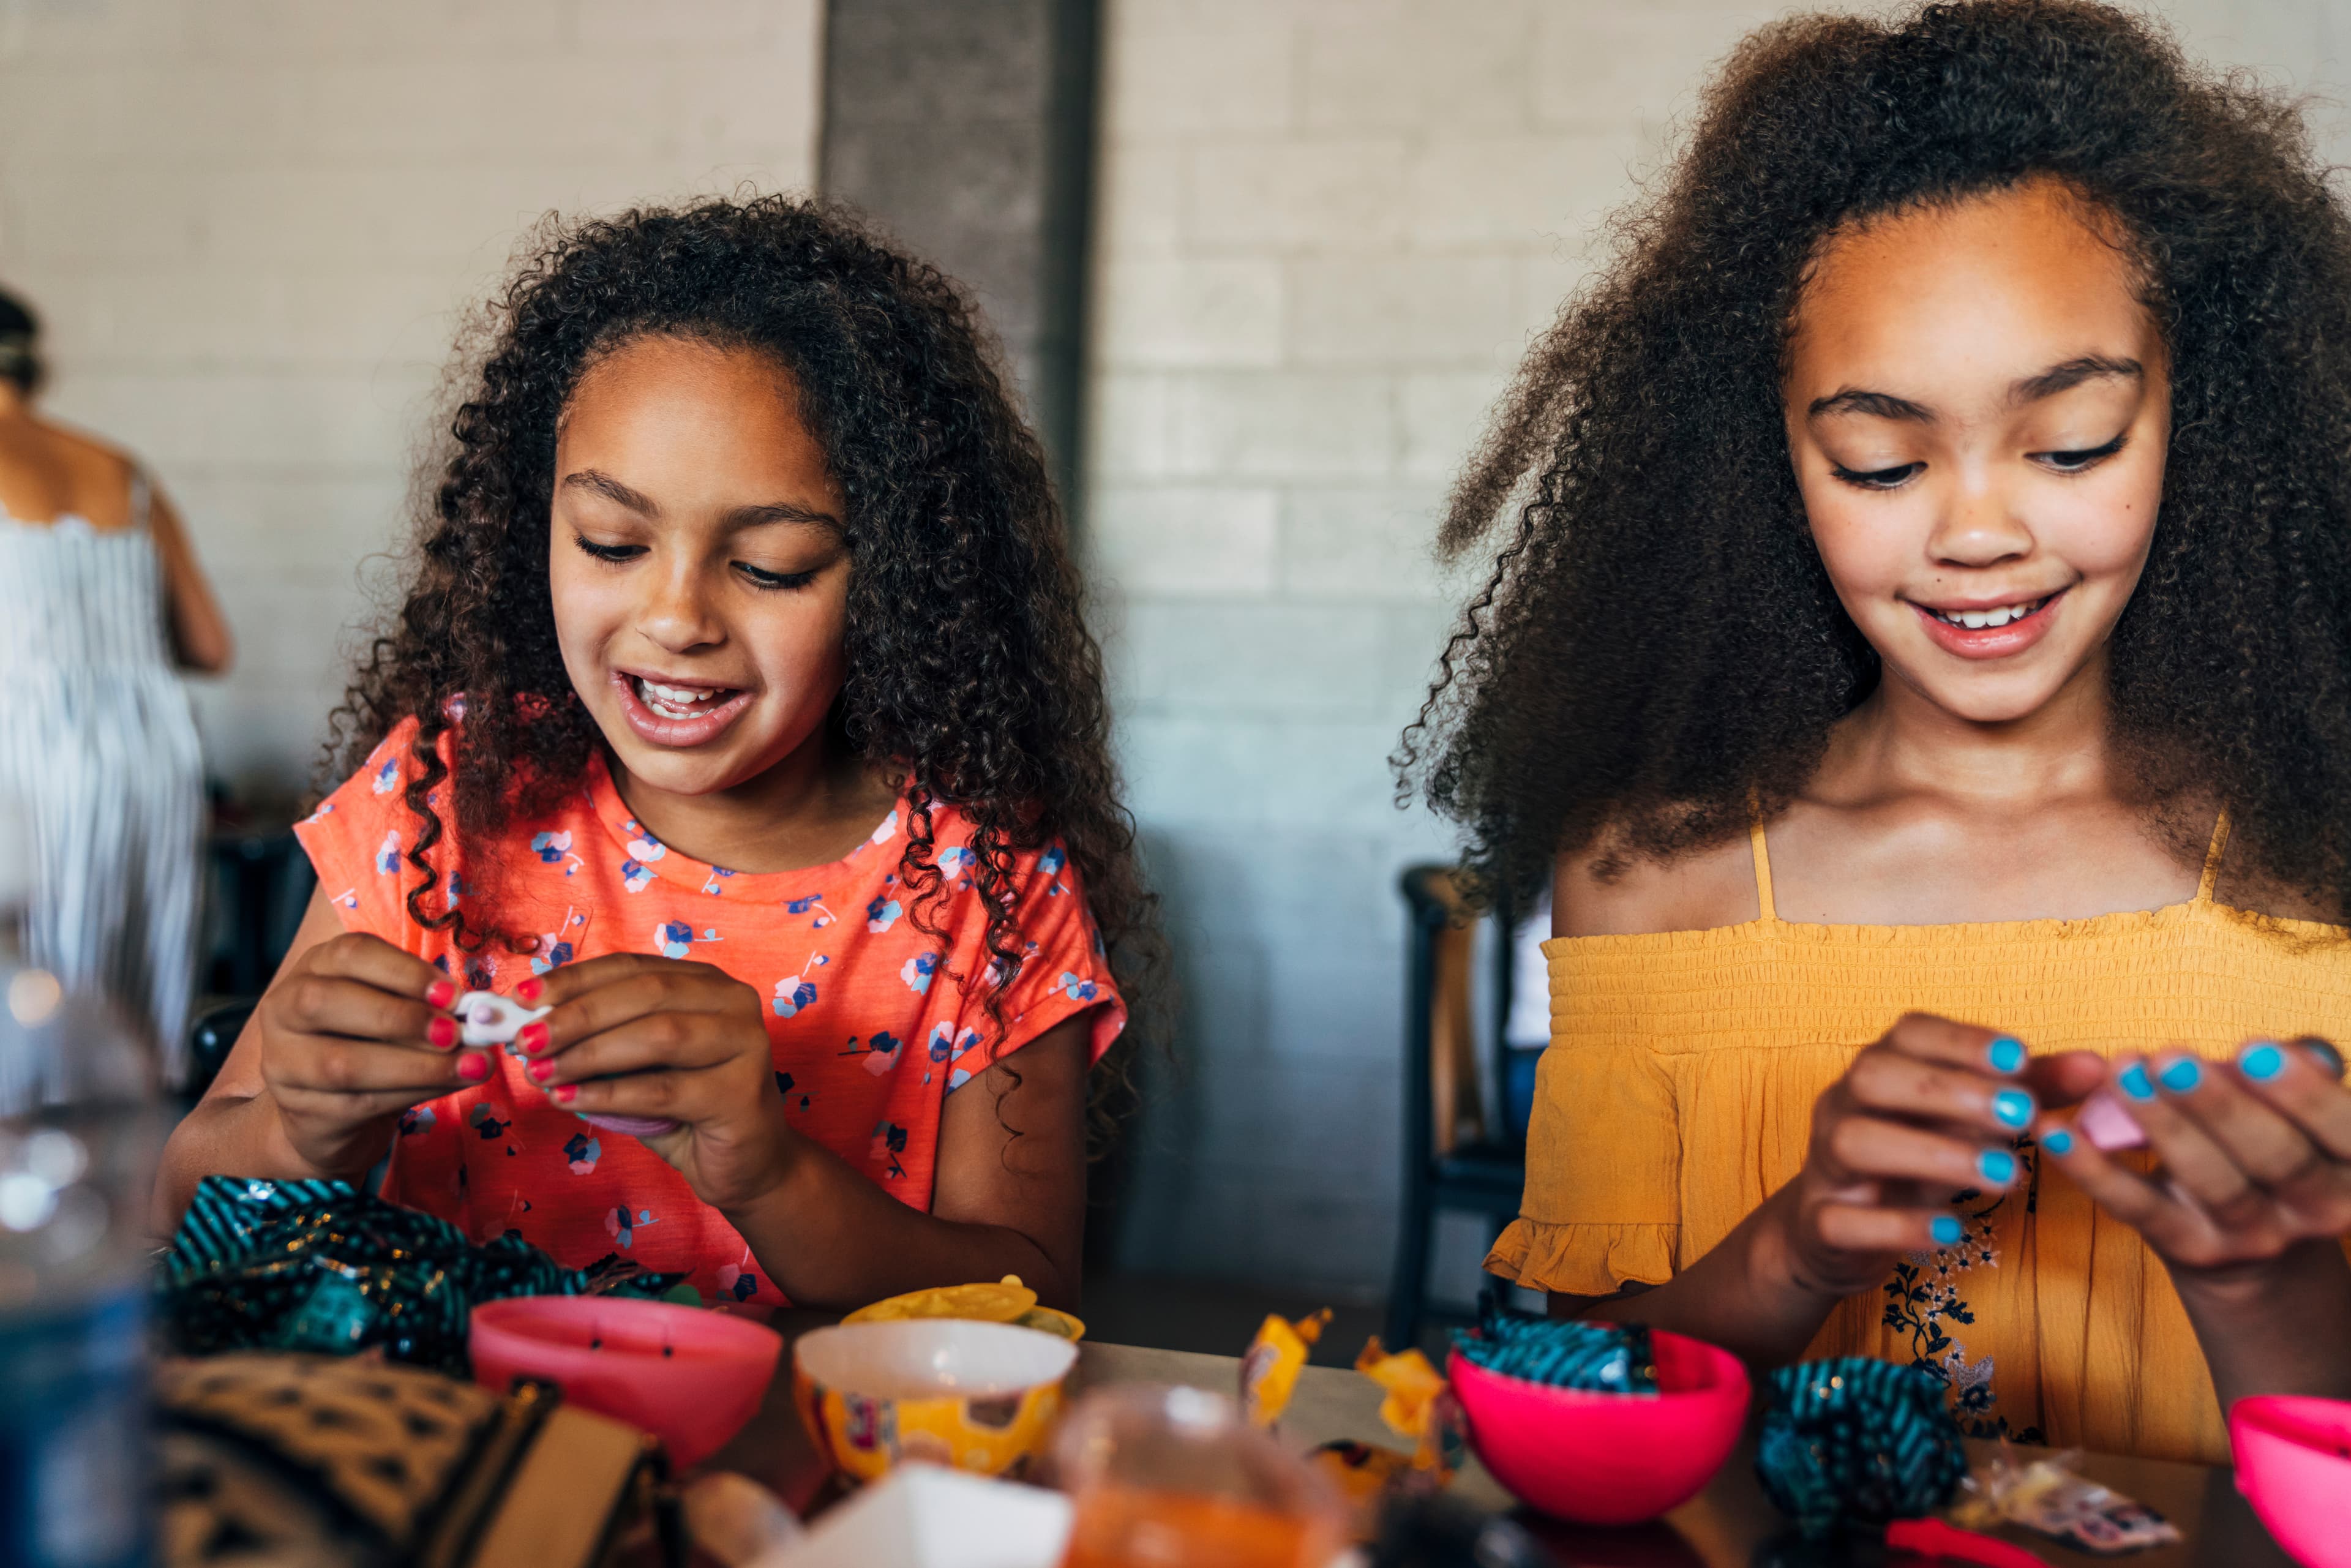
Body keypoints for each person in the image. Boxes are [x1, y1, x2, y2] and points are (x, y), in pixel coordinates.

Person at [1401, 1, 2351, 1465]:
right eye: (1882, 459)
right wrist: (1791, 1253)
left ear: (2199, 418)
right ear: (1766, 464)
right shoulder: (1653, 879)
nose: (1978, 531)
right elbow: (1551, 1407)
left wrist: (2260, 1277)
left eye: (2074, 443)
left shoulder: (2320, 873)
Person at [153, 198, 1158, 1313]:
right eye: (612, 544)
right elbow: (174, 1197)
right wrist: (298, 1128)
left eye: (772, 565)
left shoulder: (988, 883)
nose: (676, 616)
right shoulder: (442, 798)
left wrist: (770, 1174)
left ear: (897, 585)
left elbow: (1035, 1301)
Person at [0, 287, 231, 1078]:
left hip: (24, 763)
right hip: (152, 757)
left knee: (32, 1005)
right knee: (138, 1008)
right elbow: (209, 645)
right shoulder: (124, 474)